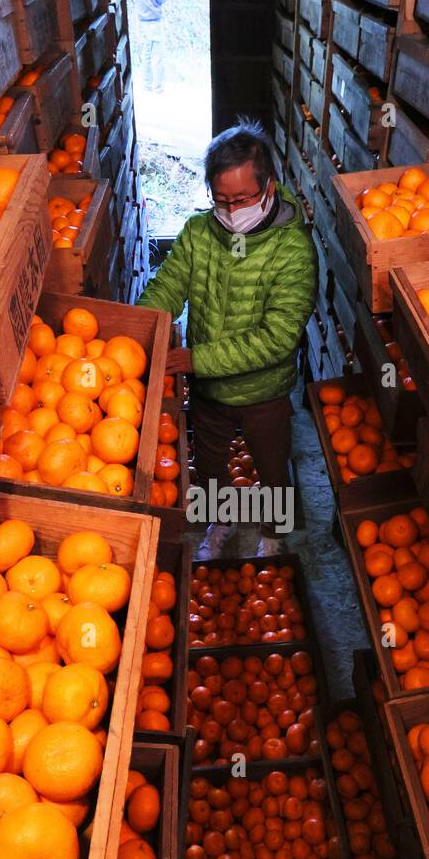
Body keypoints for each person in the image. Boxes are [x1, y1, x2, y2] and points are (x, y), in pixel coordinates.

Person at [139, 118, 317, 559]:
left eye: (243, 199)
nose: (233, 210)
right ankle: (221, 524)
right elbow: (169, 284)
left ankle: (273, 536)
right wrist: (138, 327)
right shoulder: (200, 232)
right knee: (212, 469)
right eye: (222, 201)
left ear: (269, 188)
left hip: (264, 394)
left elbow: (278, 338)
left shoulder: (292, 250)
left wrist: (196, 359)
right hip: (209, 393)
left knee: (272, 470)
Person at [137, 0, 166, 93]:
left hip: (142, 21)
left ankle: (147, 86)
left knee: (146, 56)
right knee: (158, 57)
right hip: (154, 22)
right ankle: (159, 88)